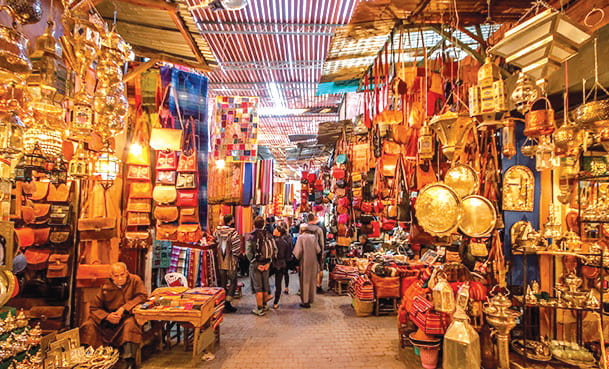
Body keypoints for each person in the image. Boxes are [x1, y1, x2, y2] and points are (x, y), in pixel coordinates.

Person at [80, 262, 147, 369]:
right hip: (107, 321)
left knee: (130, 325)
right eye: (116, 276)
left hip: (126, 317)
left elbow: (142, 296)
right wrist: (107, 316)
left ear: (127, 273)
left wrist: (124, 308)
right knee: (88, 325)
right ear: (111, 276)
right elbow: (94, 307)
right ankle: (89, 359)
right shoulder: (104, 285)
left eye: (122, 275)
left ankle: (128, 361)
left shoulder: (135, 280)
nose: (120, 278)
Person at [246, 216, 277, 316]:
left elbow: (248, 252)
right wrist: (268, 263)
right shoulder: (268, 234)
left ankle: (259, 308)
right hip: (266, 264)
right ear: (263, 224)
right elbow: (274, 250)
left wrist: (255, 263)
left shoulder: (250, 236)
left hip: (256, 265)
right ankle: (264, 305)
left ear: (254, 224)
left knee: (258, 287)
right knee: (265, 284)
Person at [213, 214, 241, 313]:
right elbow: (237, 248)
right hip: (231, 262)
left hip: (220, 262)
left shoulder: (217, 232)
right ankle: (227, 302)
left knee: (223, 283)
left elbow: (214, 242)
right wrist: (236, 257)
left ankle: (222, 302)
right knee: (233, 282)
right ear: (231, 221)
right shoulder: (233, 233)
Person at [293, 223, 321, 308]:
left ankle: (305, 301)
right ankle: (311, 298)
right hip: (313, 262)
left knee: (304, 281)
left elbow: (298, 252)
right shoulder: (314, 237)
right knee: (312, 280)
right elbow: (318, 250)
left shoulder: (301, 238)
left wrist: (295, 263)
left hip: (304, 262)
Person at [305, 214, 325, 293]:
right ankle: (317, 286)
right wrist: (322, 252)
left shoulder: (304, 229)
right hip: (317, 252)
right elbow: (321, 243)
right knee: (319, 269)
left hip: (306, 251)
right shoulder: (319, 230)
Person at [272, 226, 290, 308]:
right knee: (278, 284)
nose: (274, 230)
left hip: (273, 264)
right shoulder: (285, 243)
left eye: (275, 229)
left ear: (278, 232)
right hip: (282, 264)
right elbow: (288, 256)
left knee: (266, 281)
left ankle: (266, 297)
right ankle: (275, 302)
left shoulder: (274, 242)